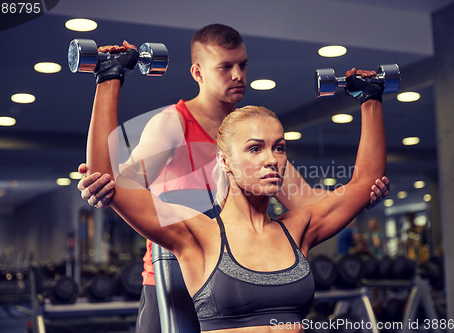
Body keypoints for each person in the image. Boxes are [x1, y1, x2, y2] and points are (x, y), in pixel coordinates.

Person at [78, 24, 390, 333]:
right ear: (198, 73)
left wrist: (359, 193)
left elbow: (306, 200)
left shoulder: (254, 134)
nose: (238, 75)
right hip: (175, 269)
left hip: (248, 257)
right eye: (226, 67)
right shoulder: (172, 123)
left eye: (242, 65)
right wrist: (109, 77)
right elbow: (118, 182)